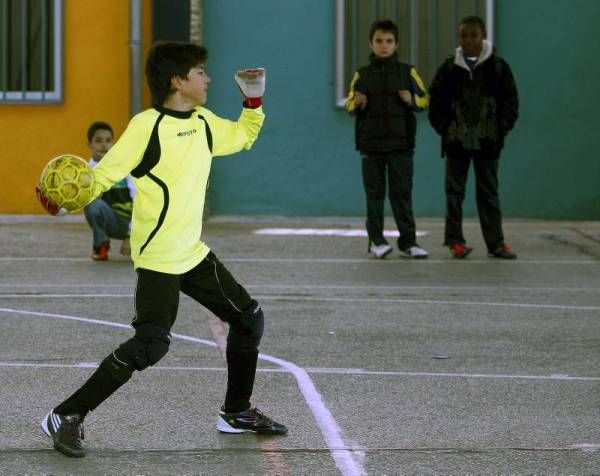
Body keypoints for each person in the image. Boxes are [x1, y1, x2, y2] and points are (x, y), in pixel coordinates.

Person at [35, 41, 287, 458]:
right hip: (158, 258)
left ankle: (236, 412)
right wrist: (63, 200)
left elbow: (243, 136)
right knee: (151, 345)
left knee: (248, 319)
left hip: (192, 252)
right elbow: (103, 176)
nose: (207, 78)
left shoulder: (204, 123)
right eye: (199, 72)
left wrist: (254, 99)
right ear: (177, 80)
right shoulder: (146, 126)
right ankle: (66, 414)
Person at [428, 15, 519, 259]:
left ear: (484, 36)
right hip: (457, 142)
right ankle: (455, 242)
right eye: (463, 35)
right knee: (454, 193)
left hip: (488, 143)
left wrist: (499, 129)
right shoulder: (448, 68)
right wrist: (446, 129)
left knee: (488, 193)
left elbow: (511, 103)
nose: (468, 40)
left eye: (473, 35)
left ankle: (496, 244)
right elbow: (434, 101)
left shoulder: (499, 68)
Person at [345, 19, 429, 259]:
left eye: (389, 41)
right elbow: (350, 104)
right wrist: (357, 103)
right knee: (374, 195)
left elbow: (425, 100)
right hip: (370, 146)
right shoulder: (361, 74)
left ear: (396, 44)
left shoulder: (408, 72)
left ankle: (409, 243)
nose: (384, 45)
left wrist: (410, 100)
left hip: (401, 145)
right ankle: (376, 241)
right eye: (379, 41)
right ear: (371, 44)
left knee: (402, 194)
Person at [84, 121, 135, 261]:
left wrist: (132, 235)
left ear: (113, 143)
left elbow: (139, 201)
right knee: (92, 203)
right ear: (89, 144)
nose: (104, 145)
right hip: (111, 221)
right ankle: (101, 244)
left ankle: (140, 242)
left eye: (108, 140)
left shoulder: (124, 168)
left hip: (133, 223)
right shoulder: (86, 172)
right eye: (98, 141)